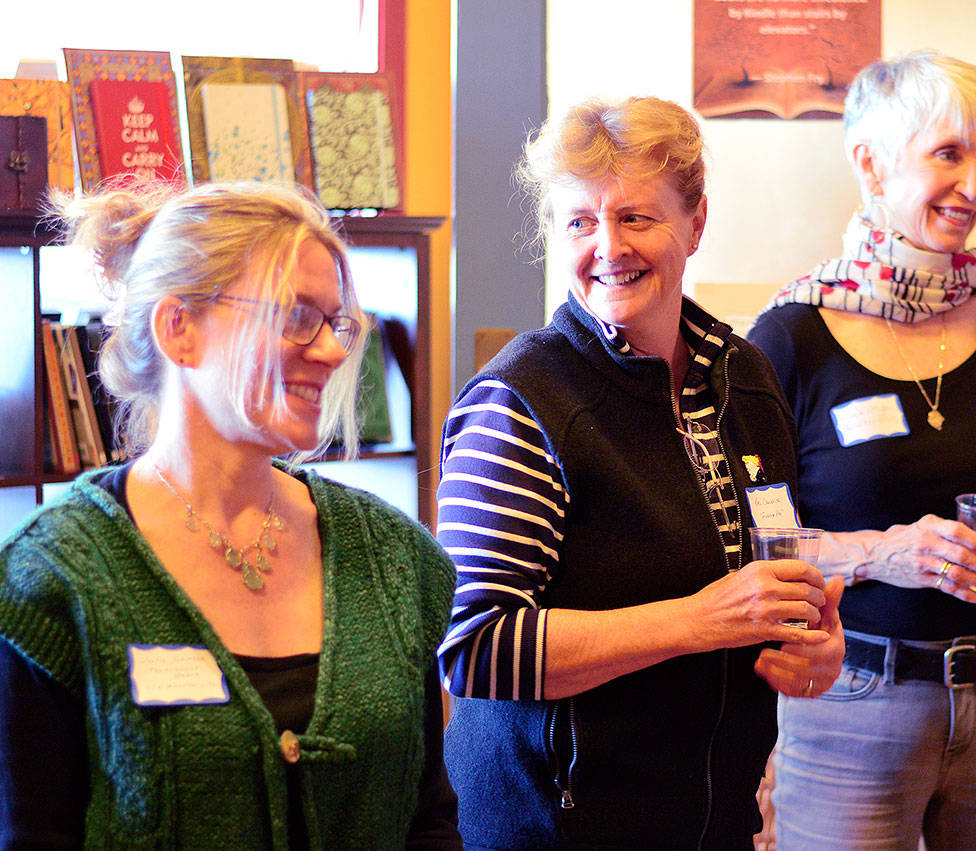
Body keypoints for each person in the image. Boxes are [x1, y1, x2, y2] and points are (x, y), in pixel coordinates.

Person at [436, 96, 845, 849]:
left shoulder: (746, 378)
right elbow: (475, 648)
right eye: (580, 221)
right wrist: (698, 621)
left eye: (636, 217)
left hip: (714, 824)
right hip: (552, 828)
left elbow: (770, 572)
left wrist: (815, 646)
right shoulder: (521, 399)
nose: (608, 245)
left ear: (695, 223)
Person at [0, 182, 461, 848]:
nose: (333, 351)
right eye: (295, 315)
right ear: (177, 328)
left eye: (335, 321)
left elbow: (429, 821)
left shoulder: (395, 560)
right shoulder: (50, 578)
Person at [747, 51, 976, 850]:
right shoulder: (790, 337)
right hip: (850, 701)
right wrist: (883, 555)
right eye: (949, 154)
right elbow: (763, 549)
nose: (973, 185)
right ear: (870, 161)